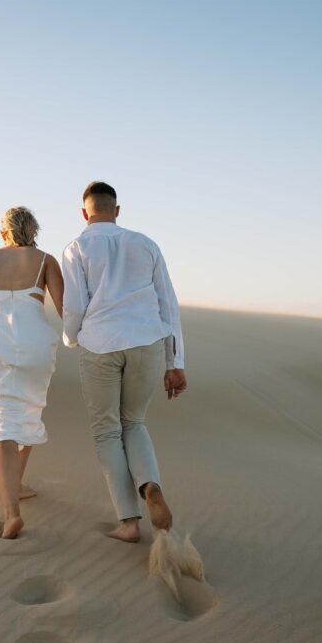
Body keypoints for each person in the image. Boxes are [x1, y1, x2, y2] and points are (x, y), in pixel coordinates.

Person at [60, 181, 187, 543]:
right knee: (135, 421)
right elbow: (168, 304)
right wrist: (174, 361)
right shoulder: (146, 244)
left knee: (106, 431)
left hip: (99, 344)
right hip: (147, 341)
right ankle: (150, 485)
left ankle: (129, 523)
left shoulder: (76, 247)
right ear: (117, 211)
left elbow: (74, 306)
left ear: (84, 213)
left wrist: (72, 338)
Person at [0, 206, 64, 539]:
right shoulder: (45, 261)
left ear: (3, 233)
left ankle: (11, 512)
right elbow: (66, 309)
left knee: (3, 426)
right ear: (33, 231)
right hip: (36, 345)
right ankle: (15, 484)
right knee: (28, 411)